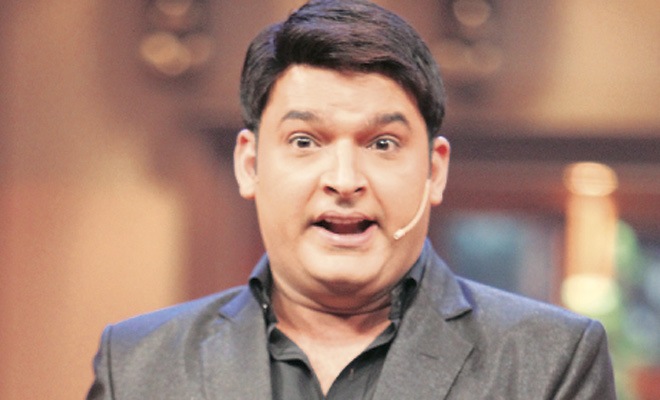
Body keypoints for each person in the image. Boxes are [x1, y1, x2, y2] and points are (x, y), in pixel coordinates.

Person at [86, 1, 616, 399]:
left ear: (434, 171)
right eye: (304, 142)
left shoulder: (549, 361)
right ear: (249, 164)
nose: (344, 180)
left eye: (382, 144)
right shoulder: (139, 366)